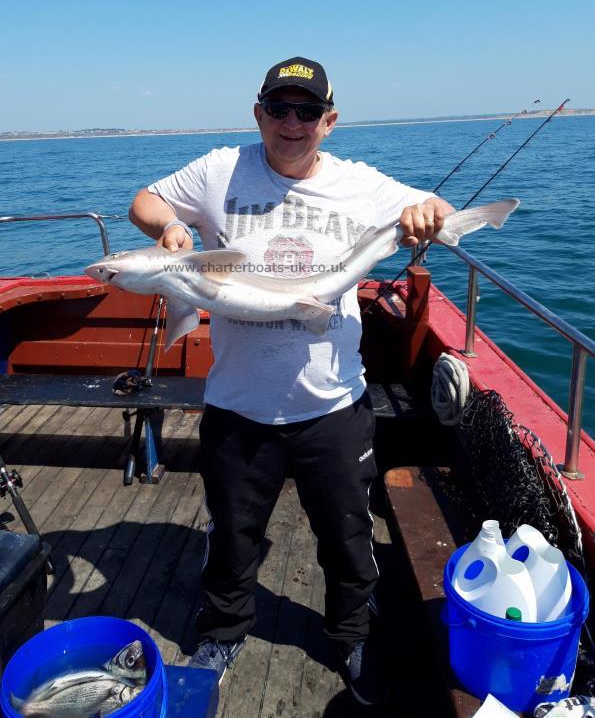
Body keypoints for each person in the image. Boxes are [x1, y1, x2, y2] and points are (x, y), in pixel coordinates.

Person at [128, 57, 453, 706]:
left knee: (347, 535)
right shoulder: (221, 169)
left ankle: (352, 635)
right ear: (258, 114)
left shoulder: (360, 184)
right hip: (238, 405)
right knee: (230, 534)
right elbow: (146, 198)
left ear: (329, 122)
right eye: (279, 108)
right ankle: (222, 634)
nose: (292, 122)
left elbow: (432, 208)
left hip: (332, 406)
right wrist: (168, 225)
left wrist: (431, 214)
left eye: (308, 111)